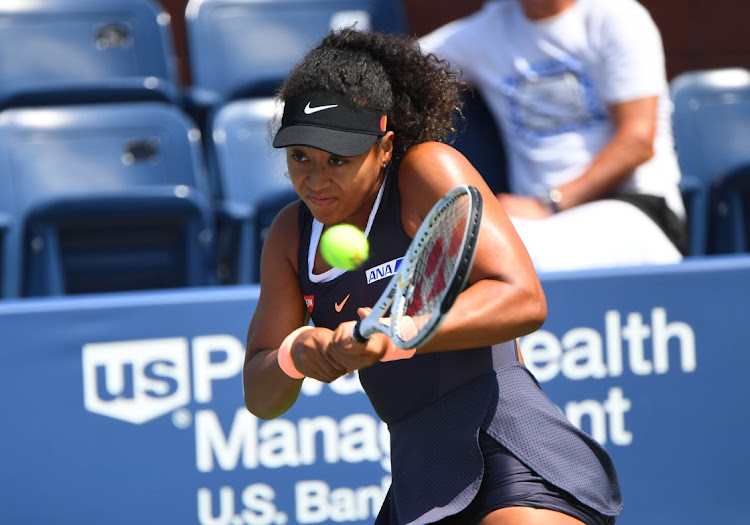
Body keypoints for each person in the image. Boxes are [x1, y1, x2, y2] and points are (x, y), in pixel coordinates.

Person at [243, 28, 622, 524]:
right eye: (300, 158)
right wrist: (299, 354)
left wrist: (399, 332)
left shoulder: (427, 170)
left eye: (339, 159)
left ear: (384, 147)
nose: (315, 180)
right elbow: (260, 392)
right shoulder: (290, 234)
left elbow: (523, 298)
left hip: (508, 443)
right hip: (420, 475)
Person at [419, 0, 688, 272]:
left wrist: (549, 204)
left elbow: (637, 142)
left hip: (637, 208)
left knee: (518, 261)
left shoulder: (617, 16)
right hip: (534, 226)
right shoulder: (487, 30)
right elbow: (398, 63)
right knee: (464, 251)